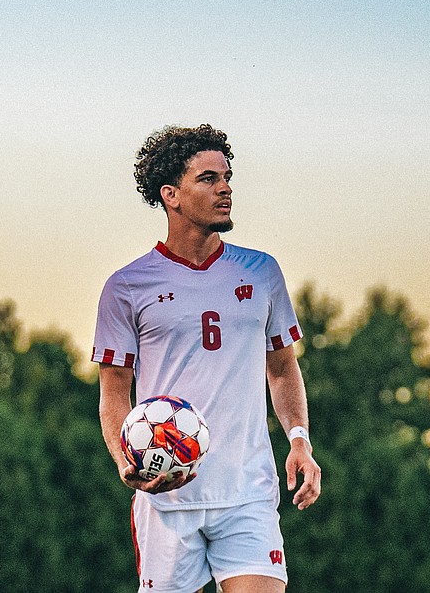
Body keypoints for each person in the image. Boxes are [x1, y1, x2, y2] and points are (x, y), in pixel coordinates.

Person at [93, 124, 321, 593]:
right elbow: (114, 392)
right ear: (171, 195)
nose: (225, 188)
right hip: (167, 497)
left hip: (247, 493)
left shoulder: (262, 272)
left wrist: (299, 439)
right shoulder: (126, 286)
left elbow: (281, 368)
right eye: (209, 178)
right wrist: (125, 461)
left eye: (228, 177)